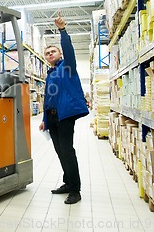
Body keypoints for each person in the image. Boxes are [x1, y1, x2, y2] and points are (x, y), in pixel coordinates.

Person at [39, 12, 89, 205]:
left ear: (59, 54)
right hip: (52, 117)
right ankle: (67, 183)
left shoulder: (67, 67)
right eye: (47, 53)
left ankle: (76, 189)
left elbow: (69, 51)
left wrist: (62, 30)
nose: (50, 54)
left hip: (65, 116)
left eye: (53, 51)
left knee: (68, 151)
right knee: (60, 152)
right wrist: (44, 119)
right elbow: (48, 99)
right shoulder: (50, 73)